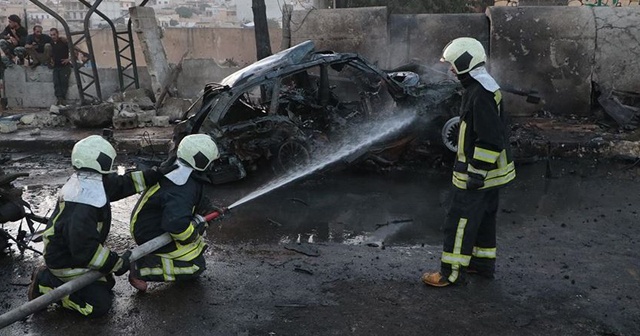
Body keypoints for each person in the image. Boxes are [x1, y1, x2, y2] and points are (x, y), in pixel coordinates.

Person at [27, 135, 177, 317]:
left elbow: (124, 183)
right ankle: (46, 283)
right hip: (66, 262)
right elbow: (85, 250)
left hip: (76, 256)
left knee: (106, 284)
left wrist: (156, 173)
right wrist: (117, 262)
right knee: (98, 306)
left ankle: (69, 283)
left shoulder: (88, 182)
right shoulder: (83, 205)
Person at [421, 37, 516, 287]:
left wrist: (476, 172)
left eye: (453, 64)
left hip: (478, 173)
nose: (451, 69)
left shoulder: (479, 93)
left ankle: (450, 273)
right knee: (483, 220)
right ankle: (482, 265)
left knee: (459, 221)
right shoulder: (483, 86)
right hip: (494, 174)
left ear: (465, 62)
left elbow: (489, 138)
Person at [128, 134, 221, 292]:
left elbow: (195, 198)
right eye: (212, 161)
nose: (213, 165)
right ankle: (142, 268)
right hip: (151, 233)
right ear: (202, 161)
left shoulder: (180, 169)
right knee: (195, 267)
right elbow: (176, 224)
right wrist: (192, 233)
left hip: (152, 223)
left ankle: (162, 258)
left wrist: (207, 209)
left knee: (194, 249)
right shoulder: (182, 187)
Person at [49, 28, 71, 106]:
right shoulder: (51, 43)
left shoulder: (63, 42)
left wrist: (69, 59)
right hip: (56, 66)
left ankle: (63, 100)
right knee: (56, 83)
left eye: (54, 34)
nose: (53, 36)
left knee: (63, 82)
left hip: (64, 66)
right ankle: (59, 100)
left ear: (57, 34)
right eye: (51, 35)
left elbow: (74, 49)